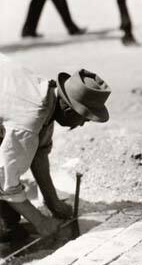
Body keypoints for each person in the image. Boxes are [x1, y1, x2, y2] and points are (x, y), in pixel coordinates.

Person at [0, 53, 111, 241]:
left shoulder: (45, 96)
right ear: (68, 108)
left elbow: (39, 154)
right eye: (84, 117)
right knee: (7, 223)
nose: (82, 124)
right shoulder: (28, 121)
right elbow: (6, 183)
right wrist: (41, 222)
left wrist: (53, 202)